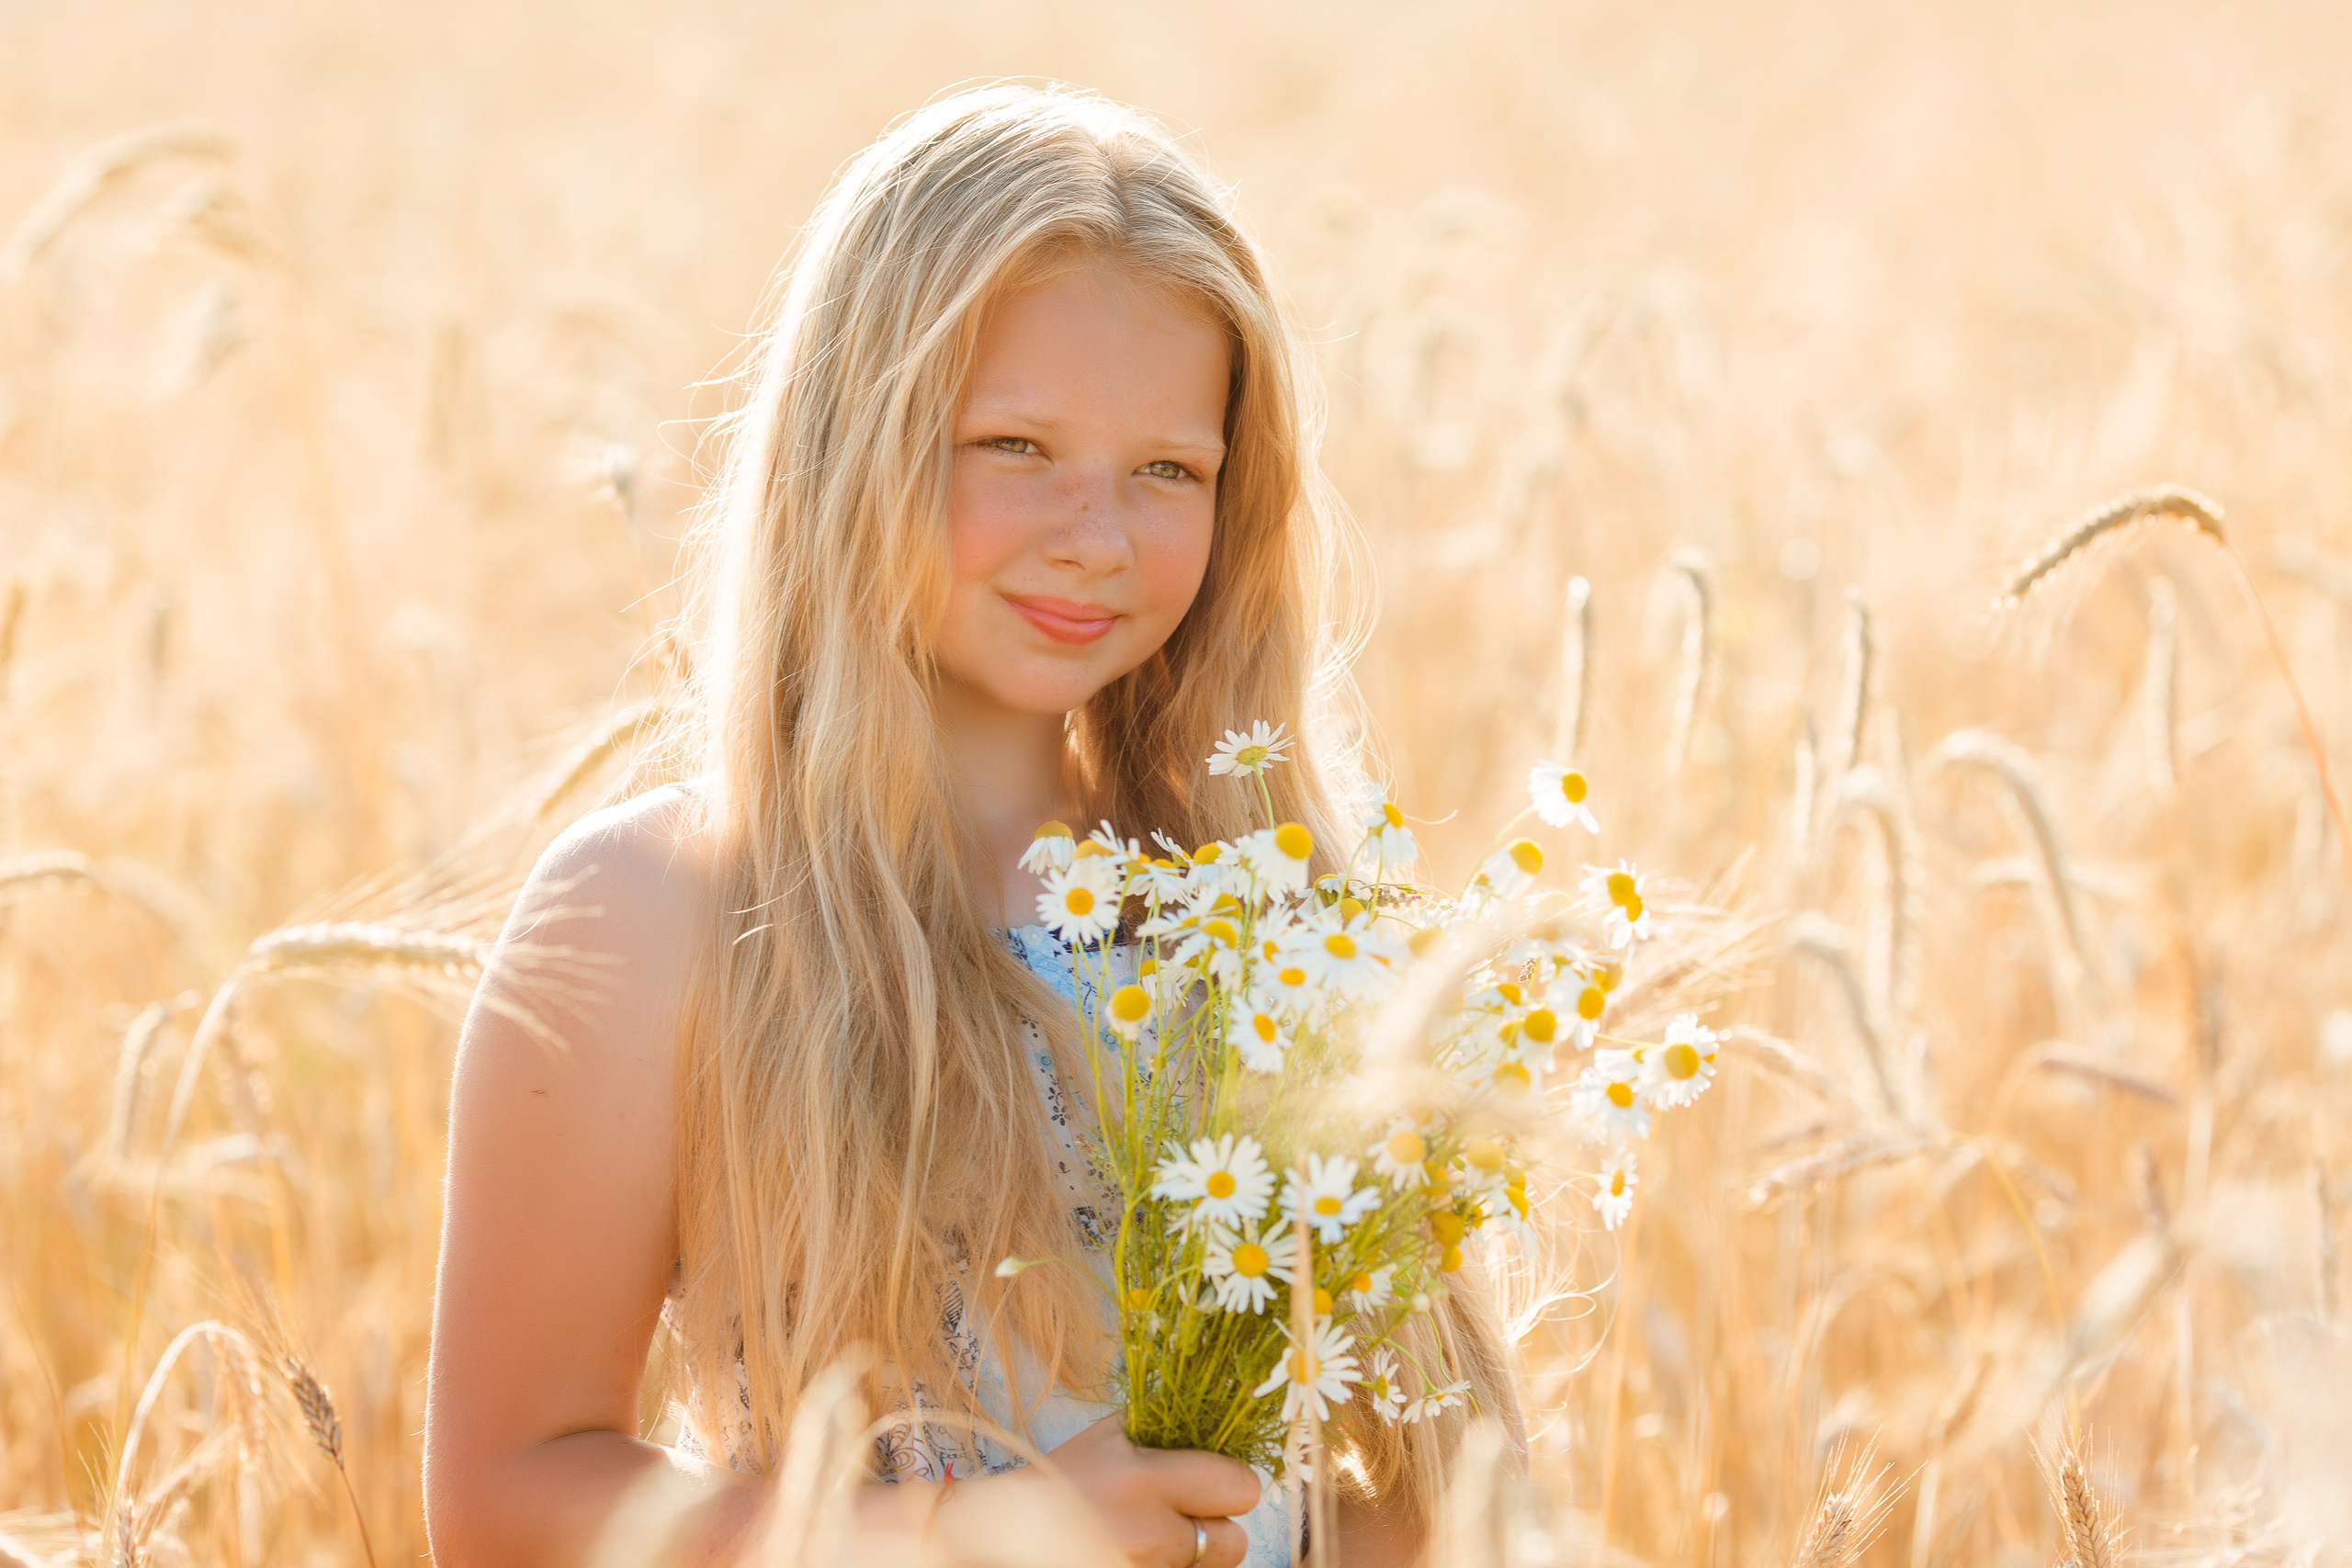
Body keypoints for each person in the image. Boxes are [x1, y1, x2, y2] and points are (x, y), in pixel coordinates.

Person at [422, 82, 1519, 1568]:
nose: (1097, 535)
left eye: (1169, 471)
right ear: (856, 437)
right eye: (1014, 446)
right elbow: (504, 1502)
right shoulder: (658, 912)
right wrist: (981, 1533)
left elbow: (1423, 1473)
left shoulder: (1266, 911)